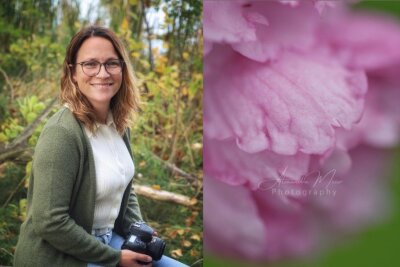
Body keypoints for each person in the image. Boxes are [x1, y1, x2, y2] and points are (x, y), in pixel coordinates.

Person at [14, 25, 188, 267]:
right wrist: (115, 259)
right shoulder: (61, 133)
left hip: (109, 242)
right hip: (63, 256)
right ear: (73, 72)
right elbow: (50, 222)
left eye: (112, 63)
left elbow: (124, 186)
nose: (103, 73)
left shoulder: (118, 125)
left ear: (122, 69)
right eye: (90, 64)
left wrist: (137, 229)